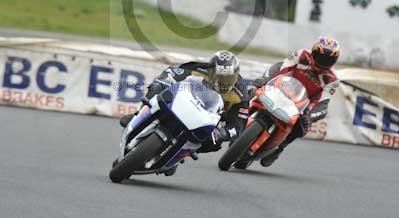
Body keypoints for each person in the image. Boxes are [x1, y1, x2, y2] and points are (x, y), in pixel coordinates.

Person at [119, 50, 255, 155]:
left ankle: (183, 152)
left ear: (236, 76)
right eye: (219, 76)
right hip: (185, 102)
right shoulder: (198, 69)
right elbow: (171, 73)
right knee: (157, 87)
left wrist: (223, 133)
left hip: (208, 117)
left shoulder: (240, 94)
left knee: (214, 143)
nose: (222, 82)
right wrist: (165, 81)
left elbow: (238, 126)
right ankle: (138, 115)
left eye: (228, 78)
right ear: (211, 70)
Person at [255, 36, 340, 167]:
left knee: (302, 126)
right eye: (321, 56)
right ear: (313, 52)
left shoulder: (332, 80)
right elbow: (280, 67)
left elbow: (323, 103)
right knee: (252, 90)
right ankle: (241, 118)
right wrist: (264, 79)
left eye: (328, 59)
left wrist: (309, 116)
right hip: (280, 89)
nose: (323, 61)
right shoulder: (302, 55)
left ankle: (280, 148)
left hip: (301, 105)